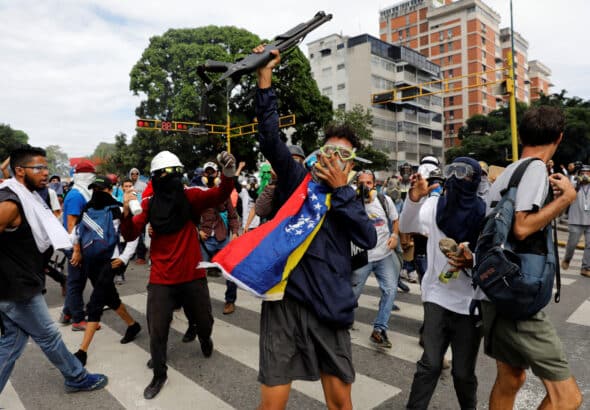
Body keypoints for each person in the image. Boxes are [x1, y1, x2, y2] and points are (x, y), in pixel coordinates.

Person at [254, 46, 377, 410]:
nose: (333, 158)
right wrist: (264, 78)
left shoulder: (348, 197)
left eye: (344, 155)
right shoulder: (296, 181)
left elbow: (367, 238)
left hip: (330, 306)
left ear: (352, 165)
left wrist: (342, 191)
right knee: (272, 403)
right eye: (329, 150)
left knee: (340, 402)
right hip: (285, 304)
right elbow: (269, 138)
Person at [482, 106, 582, 410]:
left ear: (522, 135)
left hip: (494, 289)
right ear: (559, 137)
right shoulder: (536, 169)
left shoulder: (507, 173)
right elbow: (522, 227)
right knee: (567, 398)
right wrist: (566, 199)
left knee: (511, 379)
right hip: (517, 293)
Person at [120, 150, 236, 400]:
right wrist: (126, 212)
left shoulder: (190, 197)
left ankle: (205, 338)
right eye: (167, 173)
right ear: (157, 177)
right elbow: (130, 234)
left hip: (192, 274)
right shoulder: (149, 204)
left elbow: (220, 194)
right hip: (162, 277)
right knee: (157, 328)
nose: (173, 178)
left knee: (204, 322)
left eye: (176, 172)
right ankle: (159, 373)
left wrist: (227, 174)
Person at [0, 144, 108, 394]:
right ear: (19, 171)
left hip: (18, 285)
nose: (45, 173)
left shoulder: (29, 198)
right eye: (38, 168)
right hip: (17, 289)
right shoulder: (10, 204)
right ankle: (77, 377)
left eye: (46, 167)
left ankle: (75, 377)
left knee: (11, 344)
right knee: (48, 336)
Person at [400, 157, 485, 410]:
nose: (459, 179)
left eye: (466, 174)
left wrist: (474, 260)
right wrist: (414, 199)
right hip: (437, 296)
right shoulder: (436, 205)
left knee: (463, 374)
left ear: (477, 180)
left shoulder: (485, 212)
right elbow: (406, 225)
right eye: (453, 172)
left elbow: (494, 253)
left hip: (470, 304)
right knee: (430, 365)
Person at [70, 175, 141, 366]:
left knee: (95, 303)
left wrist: (124, 258)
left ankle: (82, 351)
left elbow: (133, 236)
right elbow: (78, 231)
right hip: (90, 262)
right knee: (110, 297)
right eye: (96, 190)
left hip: (110, 262)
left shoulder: (119, 208)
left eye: (102, 189)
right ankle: (133, 326)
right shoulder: (88, 208)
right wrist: (76, 249)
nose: (98, 193)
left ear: (110, 190)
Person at [351, 169, 400, 348]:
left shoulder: (384, 200)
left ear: (375, 185)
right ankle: (345, 317)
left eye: (369, 183)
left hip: (384, 254)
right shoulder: (351, 203)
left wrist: (394, 236)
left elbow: (395, 220)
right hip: (362, 257)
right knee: (352, 294)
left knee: (390, 290)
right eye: (361, 183)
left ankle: (379, 330)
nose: (365, 187)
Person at [198, 161, 240, 315]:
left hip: (223, 239)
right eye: (207, 172)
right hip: (205, 239)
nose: (210, 175)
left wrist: (235, 233)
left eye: (212, 172)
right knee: (197, 272)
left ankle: (230, 301)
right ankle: (198, 302)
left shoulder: (224, 193)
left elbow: (233, 216)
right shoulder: (198, 193)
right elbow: (189, 215)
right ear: (203, 175)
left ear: (217, 174)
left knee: (230, 272)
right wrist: (197, 231)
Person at [60, 159, 96, 331]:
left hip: (80, 244)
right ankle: (77, 319)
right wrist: (77, 250)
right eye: (92, 175)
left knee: (78, 281)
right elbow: (71, 224)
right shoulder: (76, 196)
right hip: (75, 245)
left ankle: (67, 312)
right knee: (76, 282)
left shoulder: (82, 193)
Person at [561, 165, 590, 278]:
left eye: (588, 173)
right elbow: (568, 191)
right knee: (572, 244)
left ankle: (585, 268)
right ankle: (567, 259)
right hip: (575, 219)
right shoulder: (573, 183)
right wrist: (578, 183)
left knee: (589, 245)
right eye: (583, 172)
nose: (585, 175)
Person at [129, 167, 148, 264]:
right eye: (132, 174)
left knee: (141, 234)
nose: (134, 176)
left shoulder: (143, 185)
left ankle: (141, 256)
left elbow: (146, 198)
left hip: (141, 213)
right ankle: (132, 254)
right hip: (130, 213)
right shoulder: (127, 185)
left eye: (136, 174)